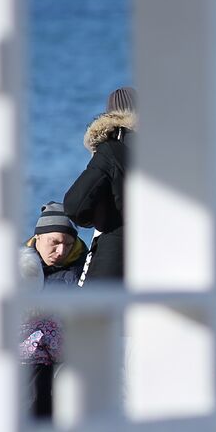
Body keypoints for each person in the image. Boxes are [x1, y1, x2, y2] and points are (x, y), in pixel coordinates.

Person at [20, 203, 87, 418]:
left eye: (68, 244)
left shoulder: (83, 269)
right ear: (38, 237)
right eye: (54, 243)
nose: (61, 251)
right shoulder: (20, 267)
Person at [65, 86, 134, 285]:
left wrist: (97, 219)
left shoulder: (110, 150)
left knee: (93, 315)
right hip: (158, 261)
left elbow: (74, 205)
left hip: (113, 262)